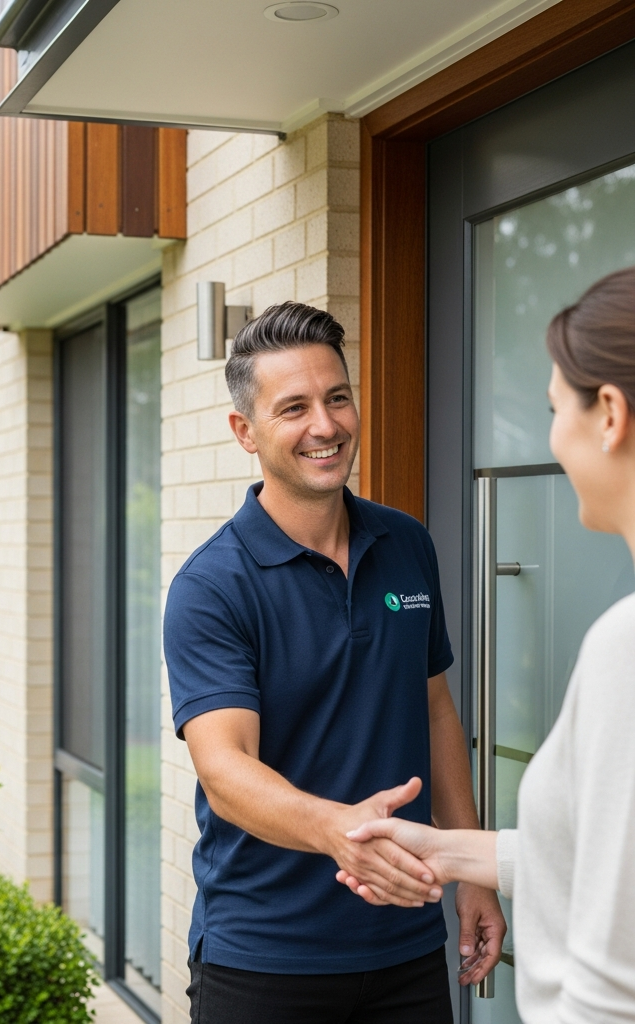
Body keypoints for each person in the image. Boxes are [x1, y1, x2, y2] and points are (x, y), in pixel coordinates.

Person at [163, 302, 505, 1024]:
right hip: (264, 960)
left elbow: (434, 707)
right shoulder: (211, 587)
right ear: (244, 432)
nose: (326, 425)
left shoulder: (407, 544)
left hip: (406, 946)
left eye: (337, 397)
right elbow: (226, 771)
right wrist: (341, 834)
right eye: (294, 408)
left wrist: (473, 868)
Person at [340, 266, 635, 1022]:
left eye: (551, 408)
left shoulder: (624, 651)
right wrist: (449, 854)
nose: (549, 438)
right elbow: (607, 862)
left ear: (608, 413)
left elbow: (611, 989)